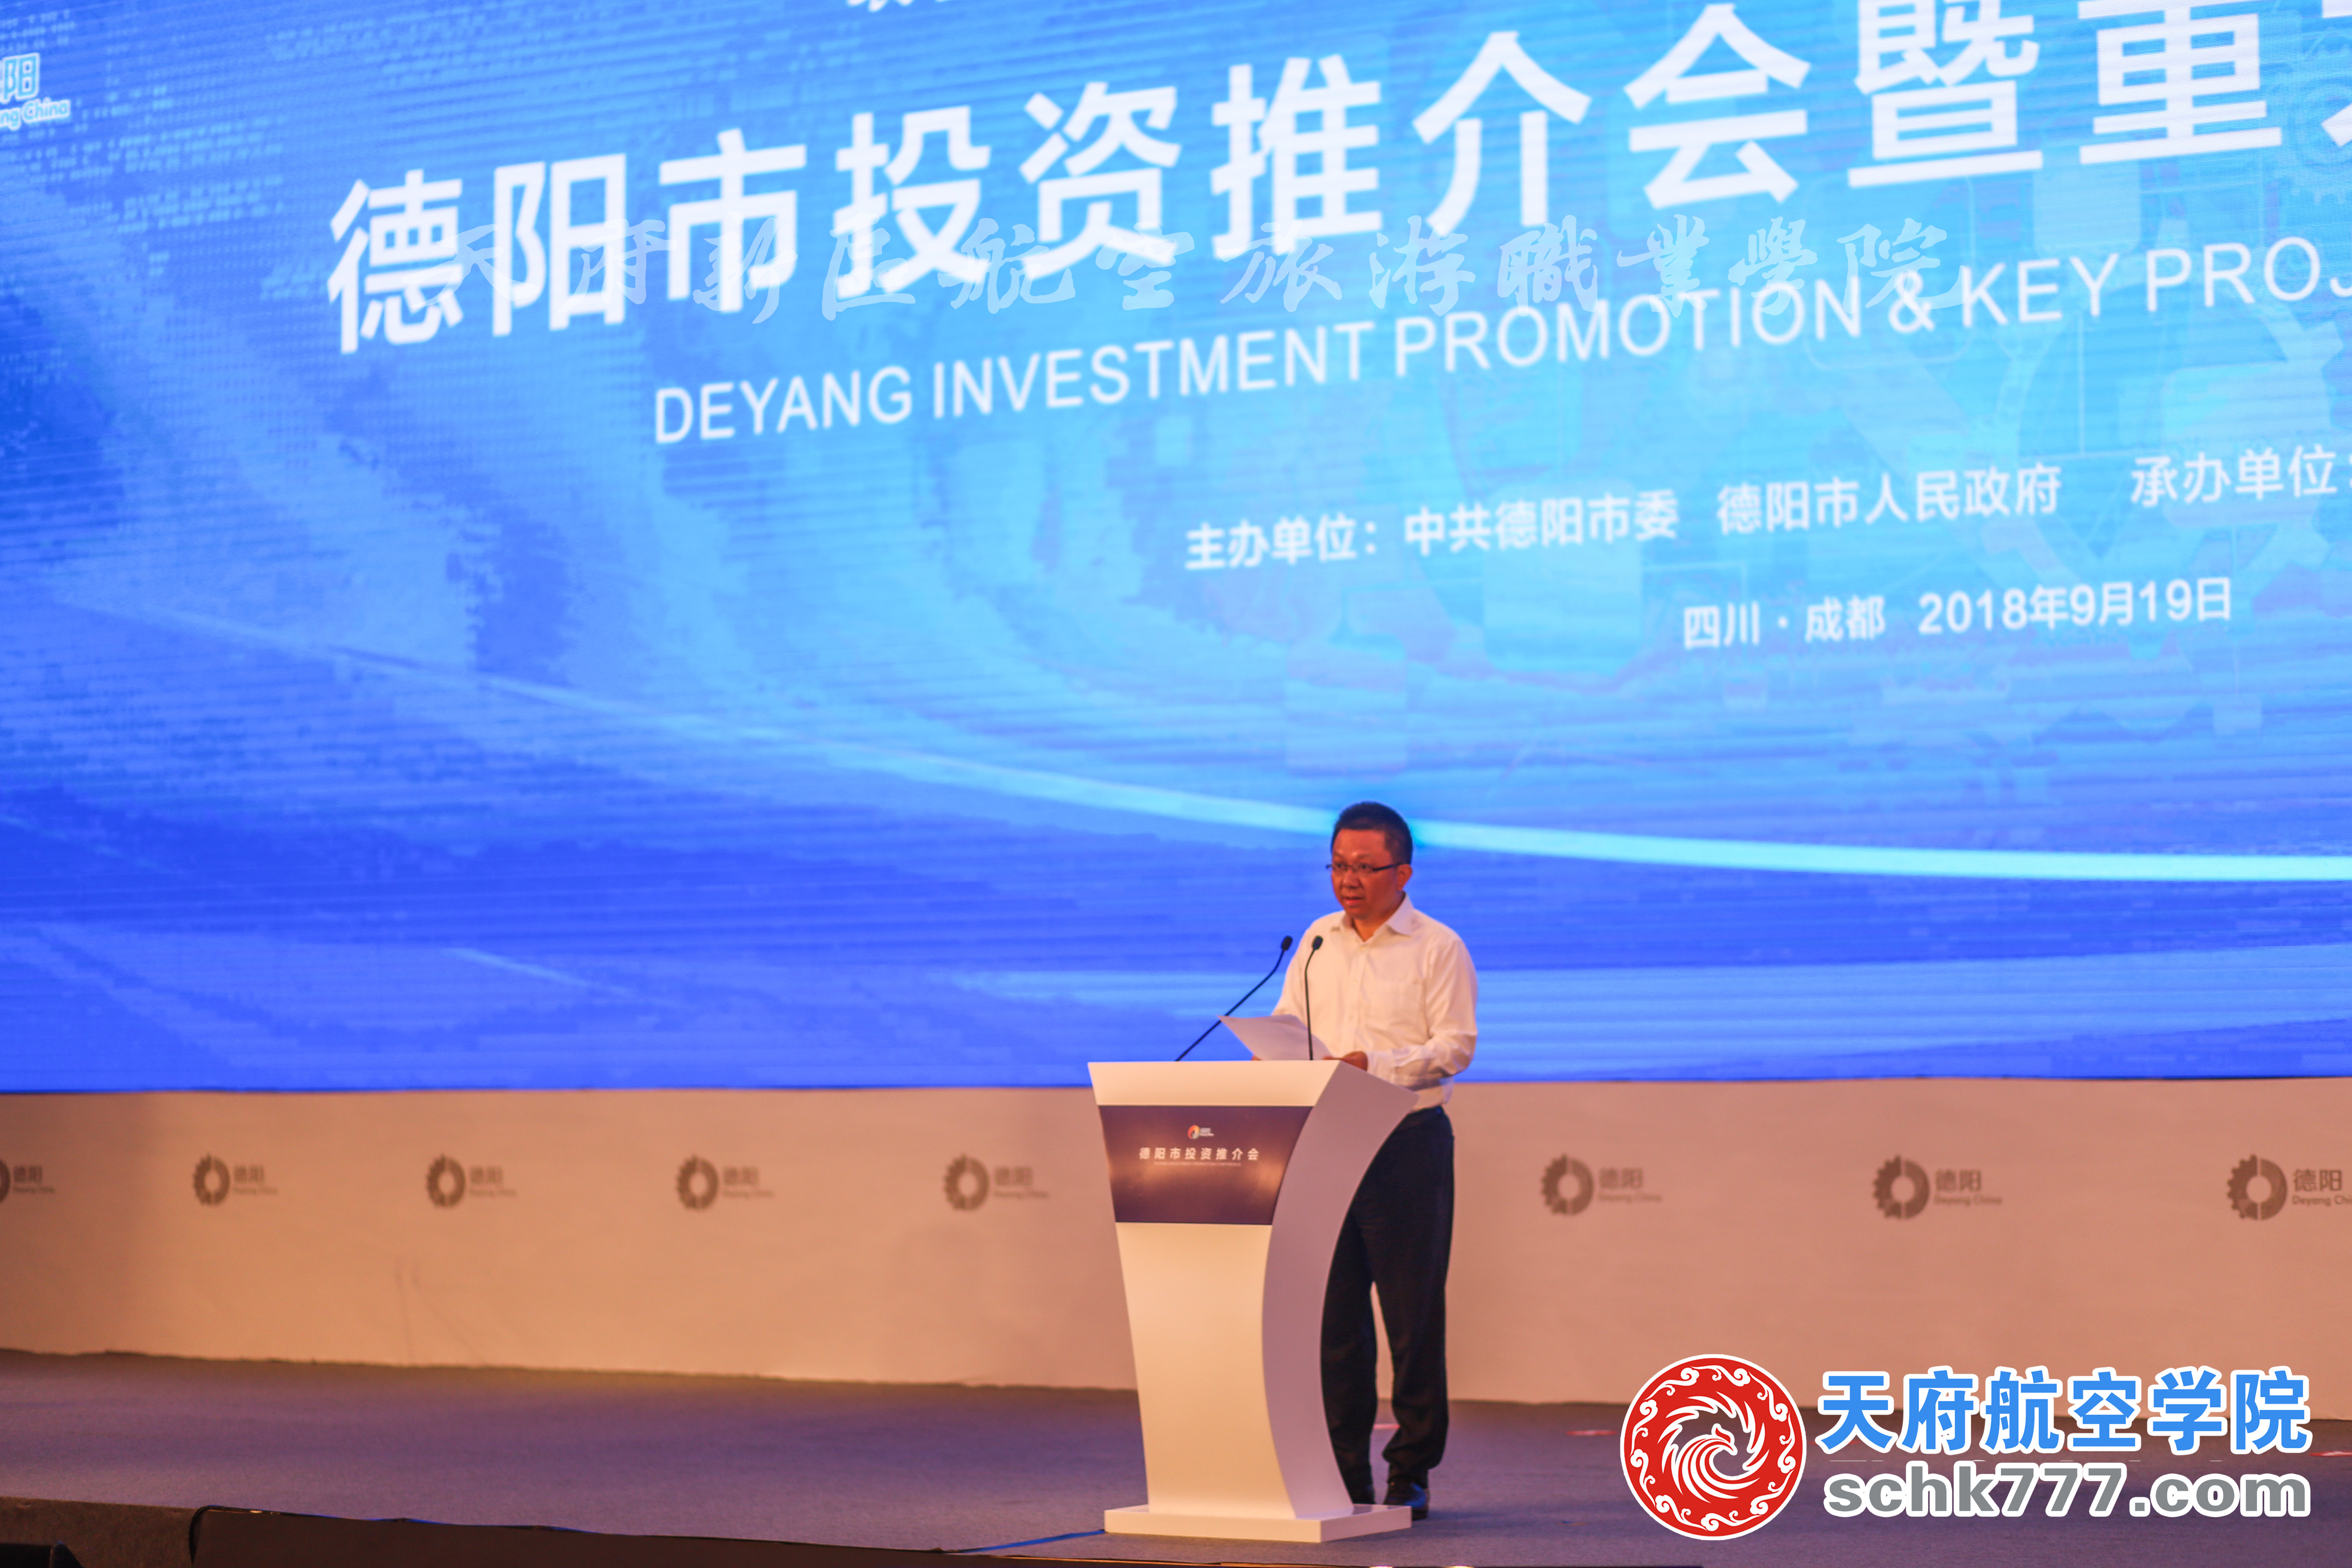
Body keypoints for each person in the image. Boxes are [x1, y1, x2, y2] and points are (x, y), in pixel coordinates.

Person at [1268, 801, 1476, 1521]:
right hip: (1325, 1144)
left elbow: (1456, 1046)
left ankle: (1411, 1472)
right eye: (1337, 866)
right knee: (1335, 1321)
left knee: (1412, 1318)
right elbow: (1291, 1028)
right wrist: (1277, 1059)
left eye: (1364, 867)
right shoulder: (1316, 941)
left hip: (1405, 1144)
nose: (1347, 881)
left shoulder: (1438, 946)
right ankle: (1345, 1474)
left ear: (1403, 872)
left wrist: (1373, 1065)